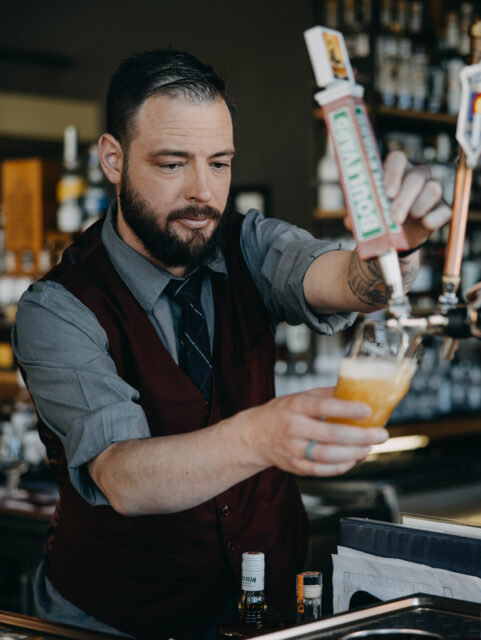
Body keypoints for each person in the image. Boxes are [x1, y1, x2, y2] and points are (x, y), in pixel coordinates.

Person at [12, 50, 451, 640]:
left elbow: (348, 280)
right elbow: (123, 476)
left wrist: (397, 248)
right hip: (113, 620)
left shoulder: (248, 244)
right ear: (113, 160)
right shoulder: (59, 307)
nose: (203, 194)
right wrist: (262, 434)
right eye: (173, 164)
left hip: (261, 608)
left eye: (219, 163)